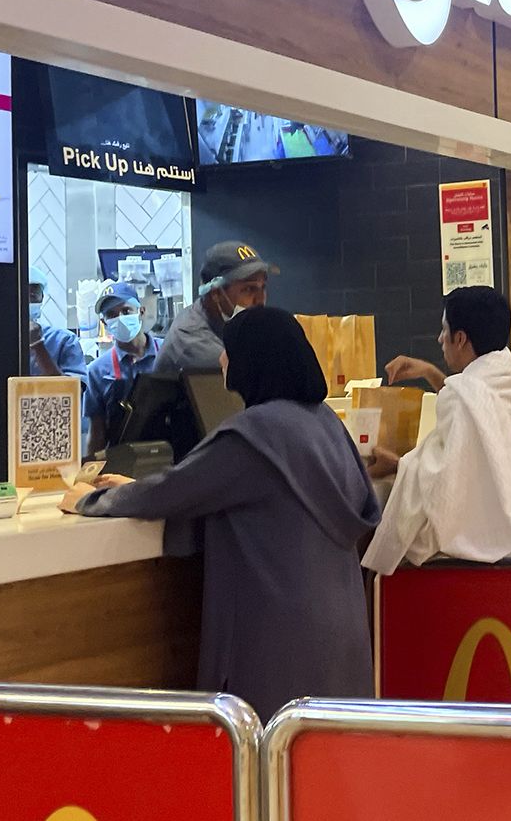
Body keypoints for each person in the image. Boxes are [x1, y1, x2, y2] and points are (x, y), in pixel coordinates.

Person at [64, 307, 379, 719]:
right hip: (341, 630)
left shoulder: (256, 434)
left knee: (268, 762)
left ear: (253, 360)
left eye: (229, 351)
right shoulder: (326, 424)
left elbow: (175, 492)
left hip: (278, 638)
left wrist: (89, 500)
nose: (220, 360)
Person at [362, 286, 511, 573]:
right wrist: (430, 372)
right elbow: (475, 405)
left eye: (444, 329)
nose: (439, 339)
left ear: (459, 339)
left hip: (474, 547)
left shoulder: (462, 396)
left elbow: (444, 482)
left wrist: (397, 465)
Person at [158, 241, 275, 375]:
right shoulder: (194, 343)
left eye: (263, 287)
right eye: (249, 289)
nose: (260, 300)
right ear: (216, 293)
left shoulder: (225, 323)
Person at [83, 282, 161, 453]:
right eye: (111, 314)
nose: (120, 318)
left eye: (126, 311)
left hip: (168, 454)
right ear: (104, 322)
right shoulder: (97, 371)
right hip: (121, 458)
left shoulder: (168, 352)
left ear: (141, 312)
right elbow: (97, 433)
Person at [26, 267, 87, 381]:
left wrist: (38, 346)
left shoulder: (63, 340)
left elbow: (73, 391)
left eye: (32, 296)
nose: (27, 302)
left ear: (42, 298)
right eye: (21, 296)